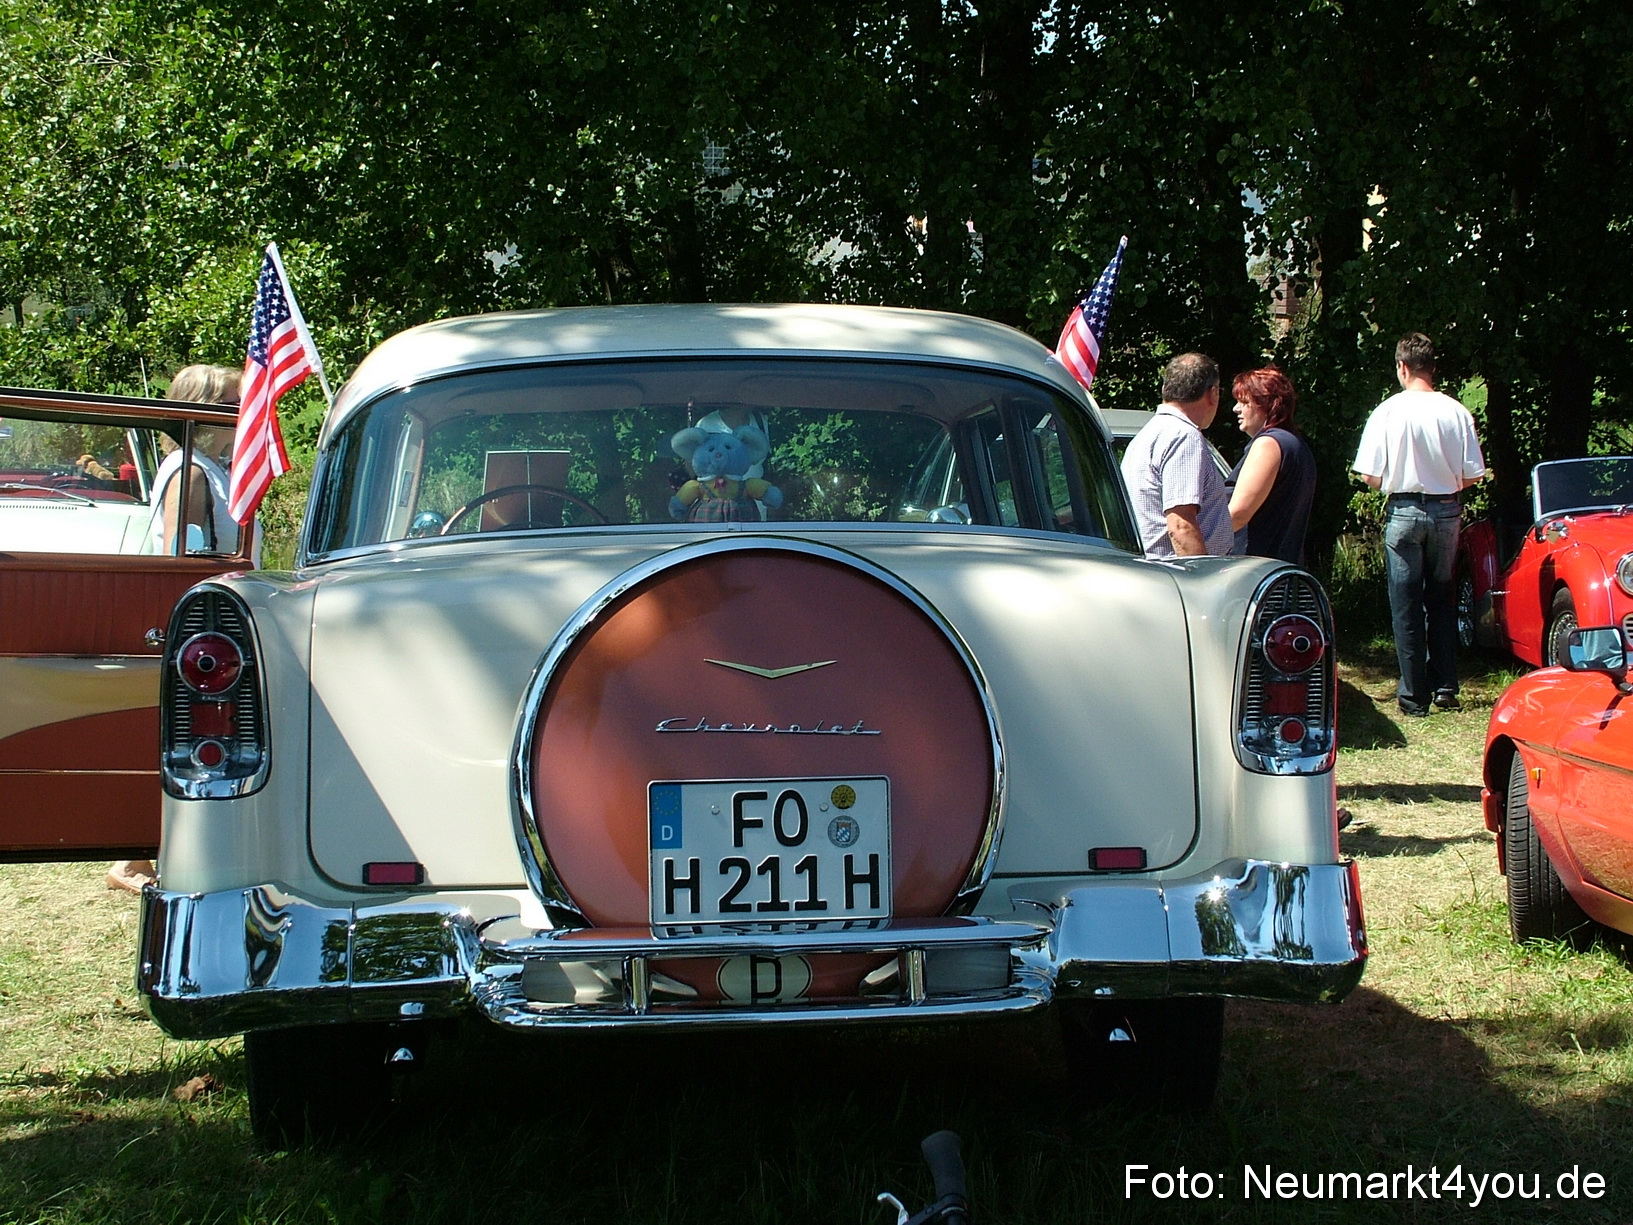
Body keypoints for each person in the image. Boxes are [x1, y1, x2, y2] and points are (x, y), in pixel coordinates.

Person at [109, 364, 247, 895]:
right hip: (198, 618)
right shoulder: (189, 471)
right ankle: (135, 860)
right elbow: (181, 547)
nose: (243, 413)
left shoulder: (209, 467)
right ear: (206, 410)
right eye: (235, 403)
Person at [1352, 333, 1486, 717]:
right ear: (1432, 367)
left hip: (1405, 510)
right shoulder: (1456, 411)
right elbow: (1473, 474)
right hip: (1446, 510)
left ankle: (1413, 693)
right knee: (1441, 597)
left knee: (1406, 601)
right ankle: (1445, 683)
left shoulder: (1388, 411)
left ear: (1402, 367)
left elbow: (1370, 476)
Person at [1120, 352, 1233, 557]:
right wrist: (1200, 581)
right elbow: (1181, 526)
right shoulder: (1183, 436)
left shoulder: (1148, 434)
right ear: (1213, 393)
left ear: (1166, 389)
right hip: (1176, 578)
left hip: (1157, 574)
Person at [1227, 366, 1316, 564]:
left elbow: (1238, 514)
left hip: (1255, 572)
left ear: (1265, 403)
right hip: (1280, 570)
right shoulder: (1295, 444)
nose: (1236, 409)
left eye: (1243, 402)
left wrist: (1195, 539)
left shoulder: (1268, 444)